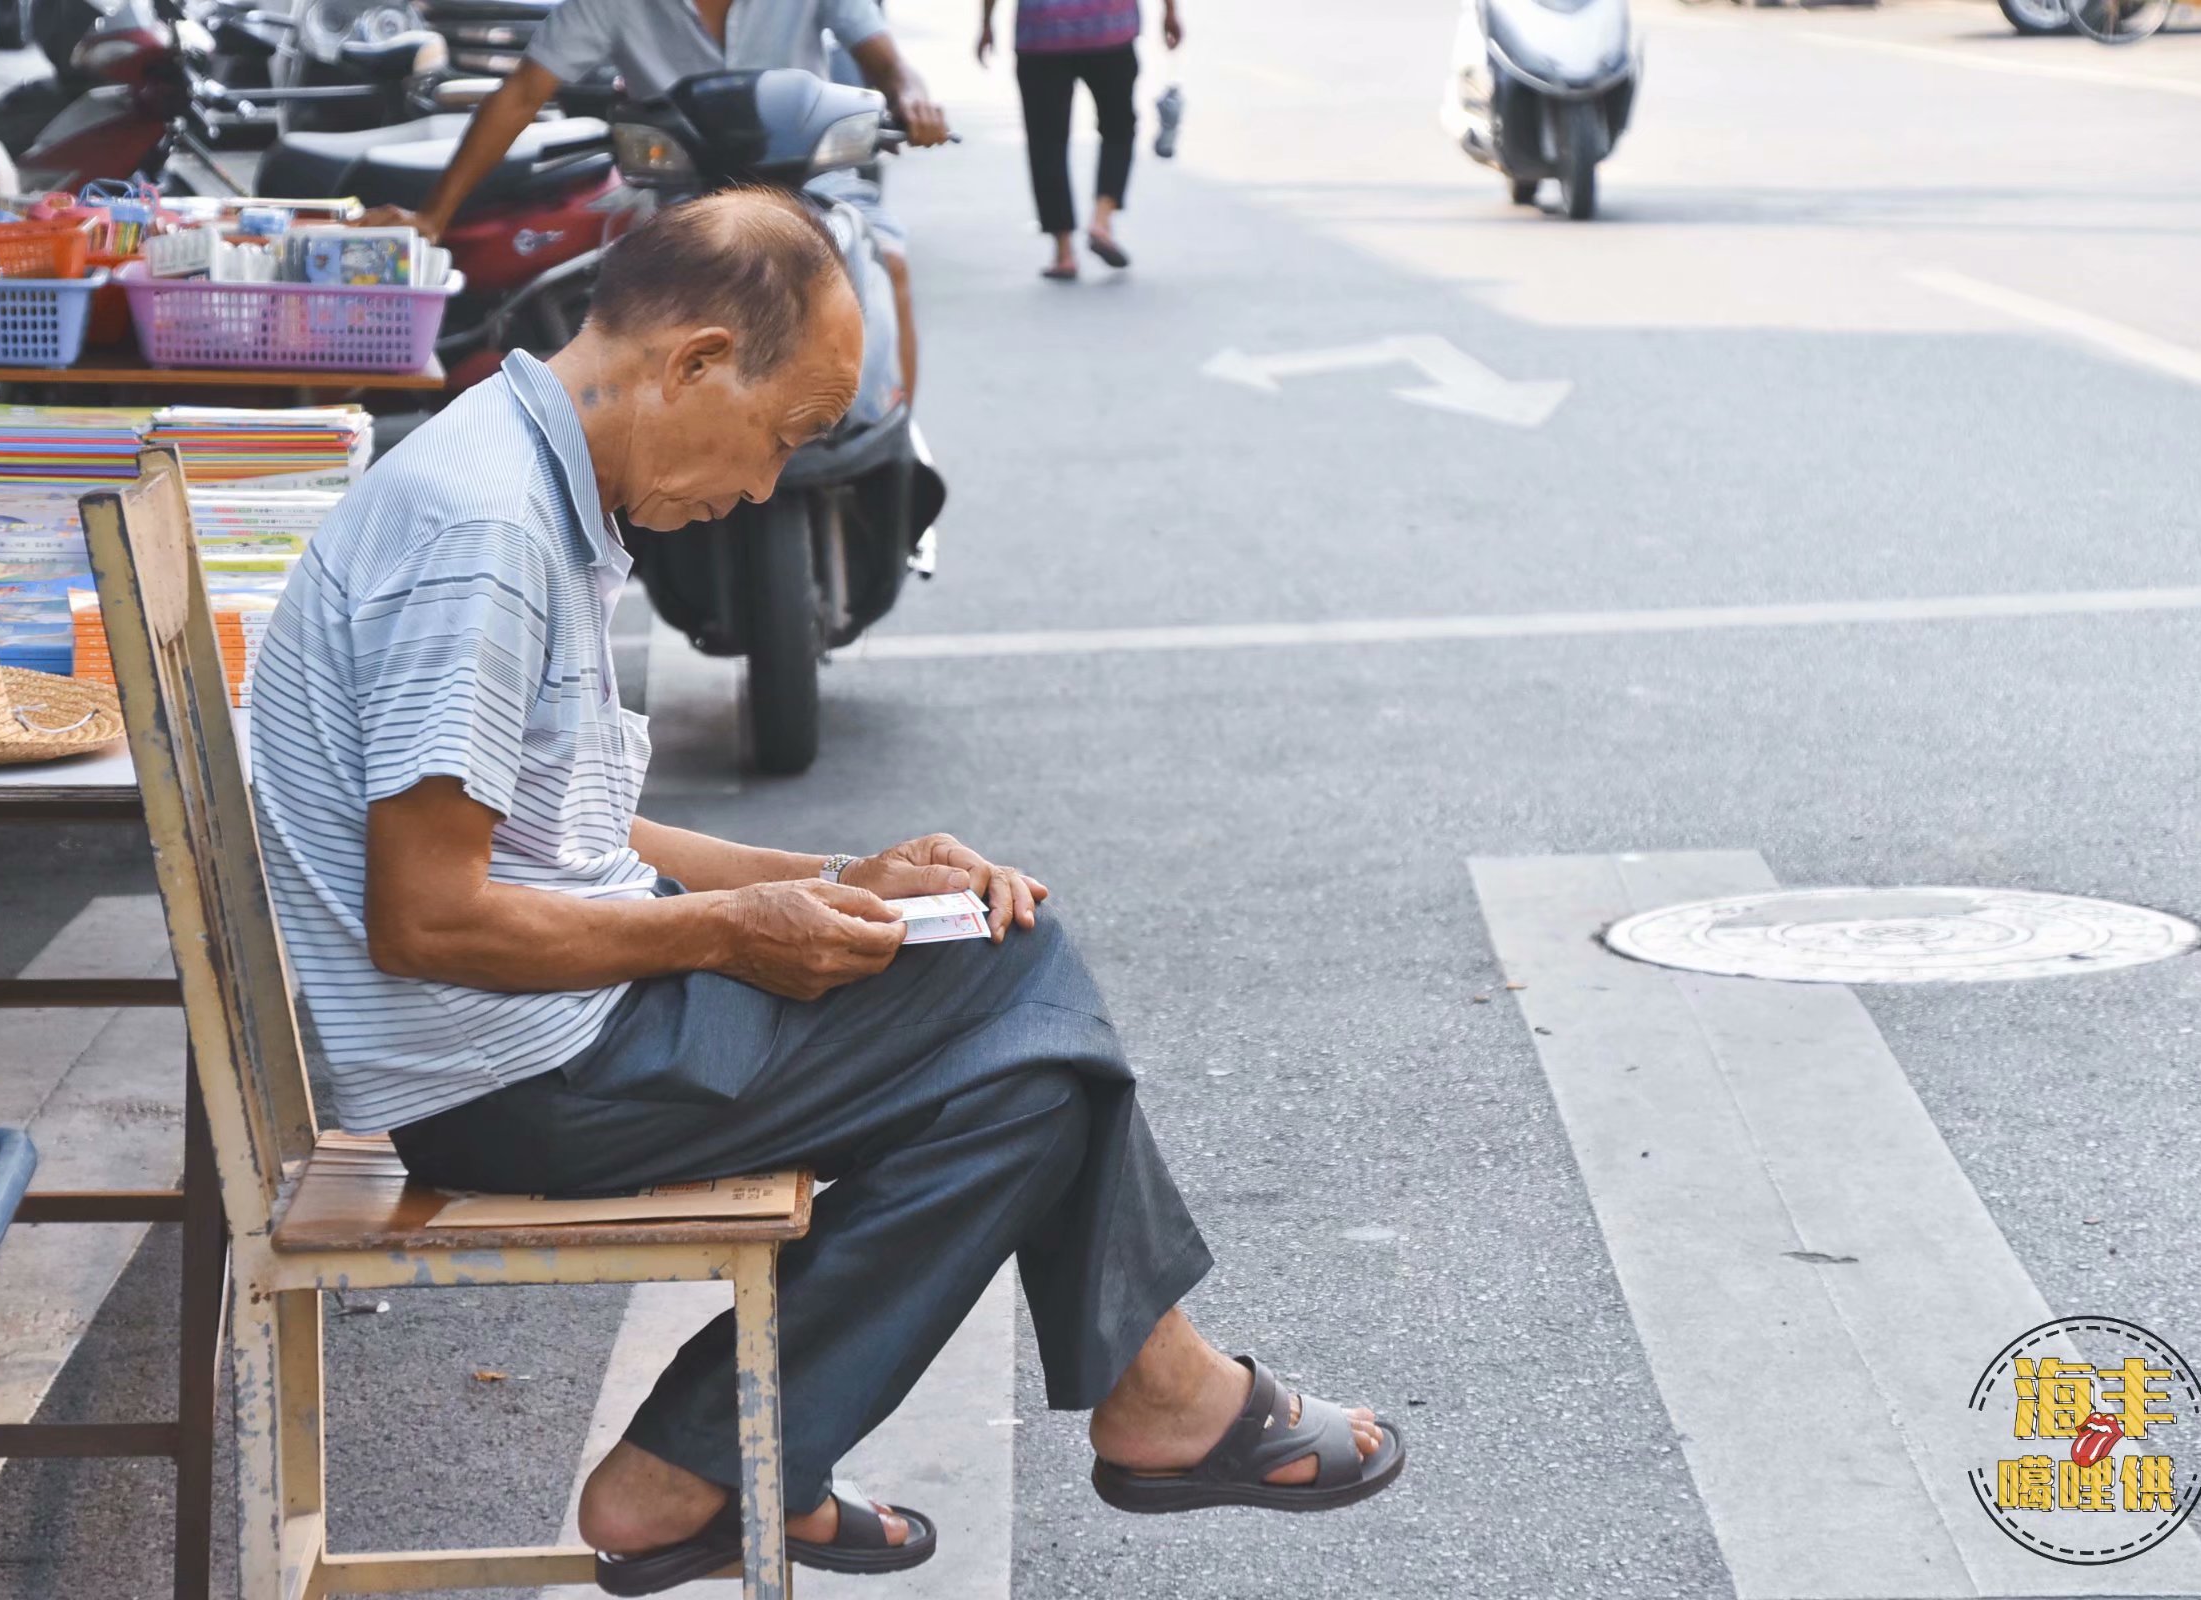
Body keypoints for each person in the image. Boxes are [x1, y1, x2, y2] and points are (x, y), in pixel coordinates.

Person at [249, 189, 1403, 1594]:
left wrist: (837, 880)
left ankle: (718, 1459)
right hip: (521, 1079)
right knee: (1020, 976)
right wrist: (735, 931)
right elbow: (430, 917)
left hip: (547, 1034)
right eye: (785, 434)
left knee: (1028, 1058)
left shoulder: (514, 473)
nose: (762, 489)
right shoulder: (480, 535)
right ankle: (1132, 1399)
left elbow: (574, 833)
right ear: (694, 363)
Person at [378, 0, 949, 402]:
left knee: (888, 261)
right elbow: (522, 93)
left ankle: (888, 435)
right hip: (681, 196)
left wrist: (913, 97)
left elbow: (886, 62)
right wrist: (433, 217)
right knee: (627, 307)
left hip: (810, 183)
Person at [980, 0, 1180, 280]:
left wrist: (986, 22)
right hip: (1109, 29)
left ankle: (1064, 252)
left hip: (1042, 33)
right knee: (1118, 127)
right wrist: (1170, 11)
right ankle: (1101, 219)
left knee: (1045, 140)